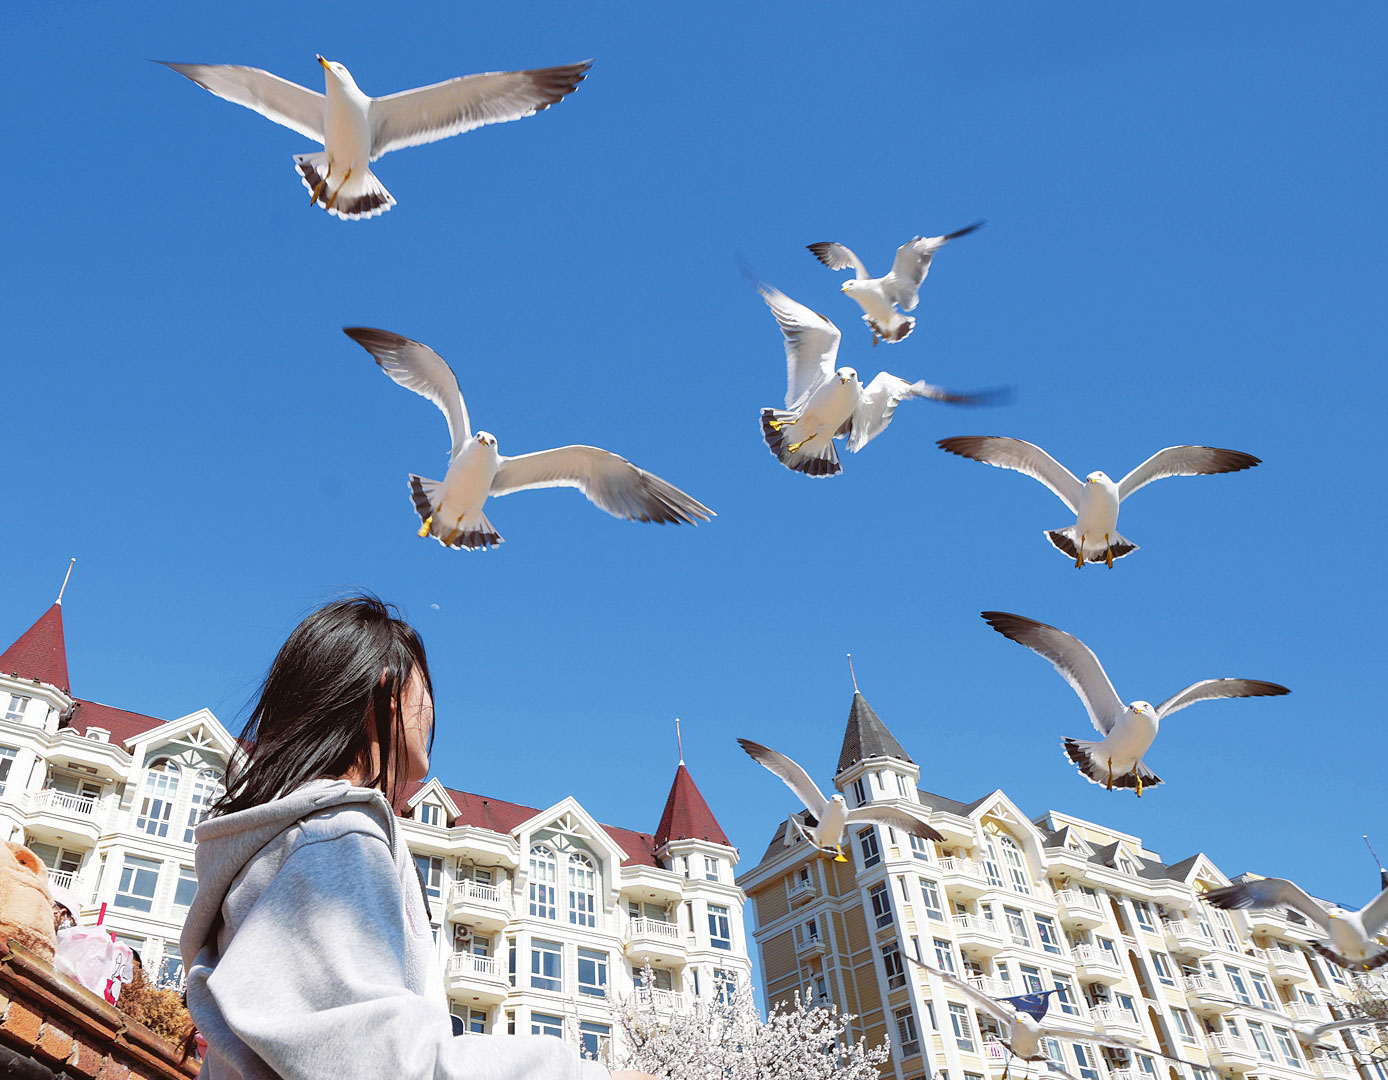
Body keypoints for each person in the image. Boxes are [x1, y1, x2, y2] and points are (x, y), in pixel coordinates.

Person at [180, 596, 652, 1080]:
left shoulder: (287, 838)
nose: (432, 713)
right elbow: (373, 1061)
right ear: (386, 691)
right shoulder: (337, 834)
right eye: (426, 689)